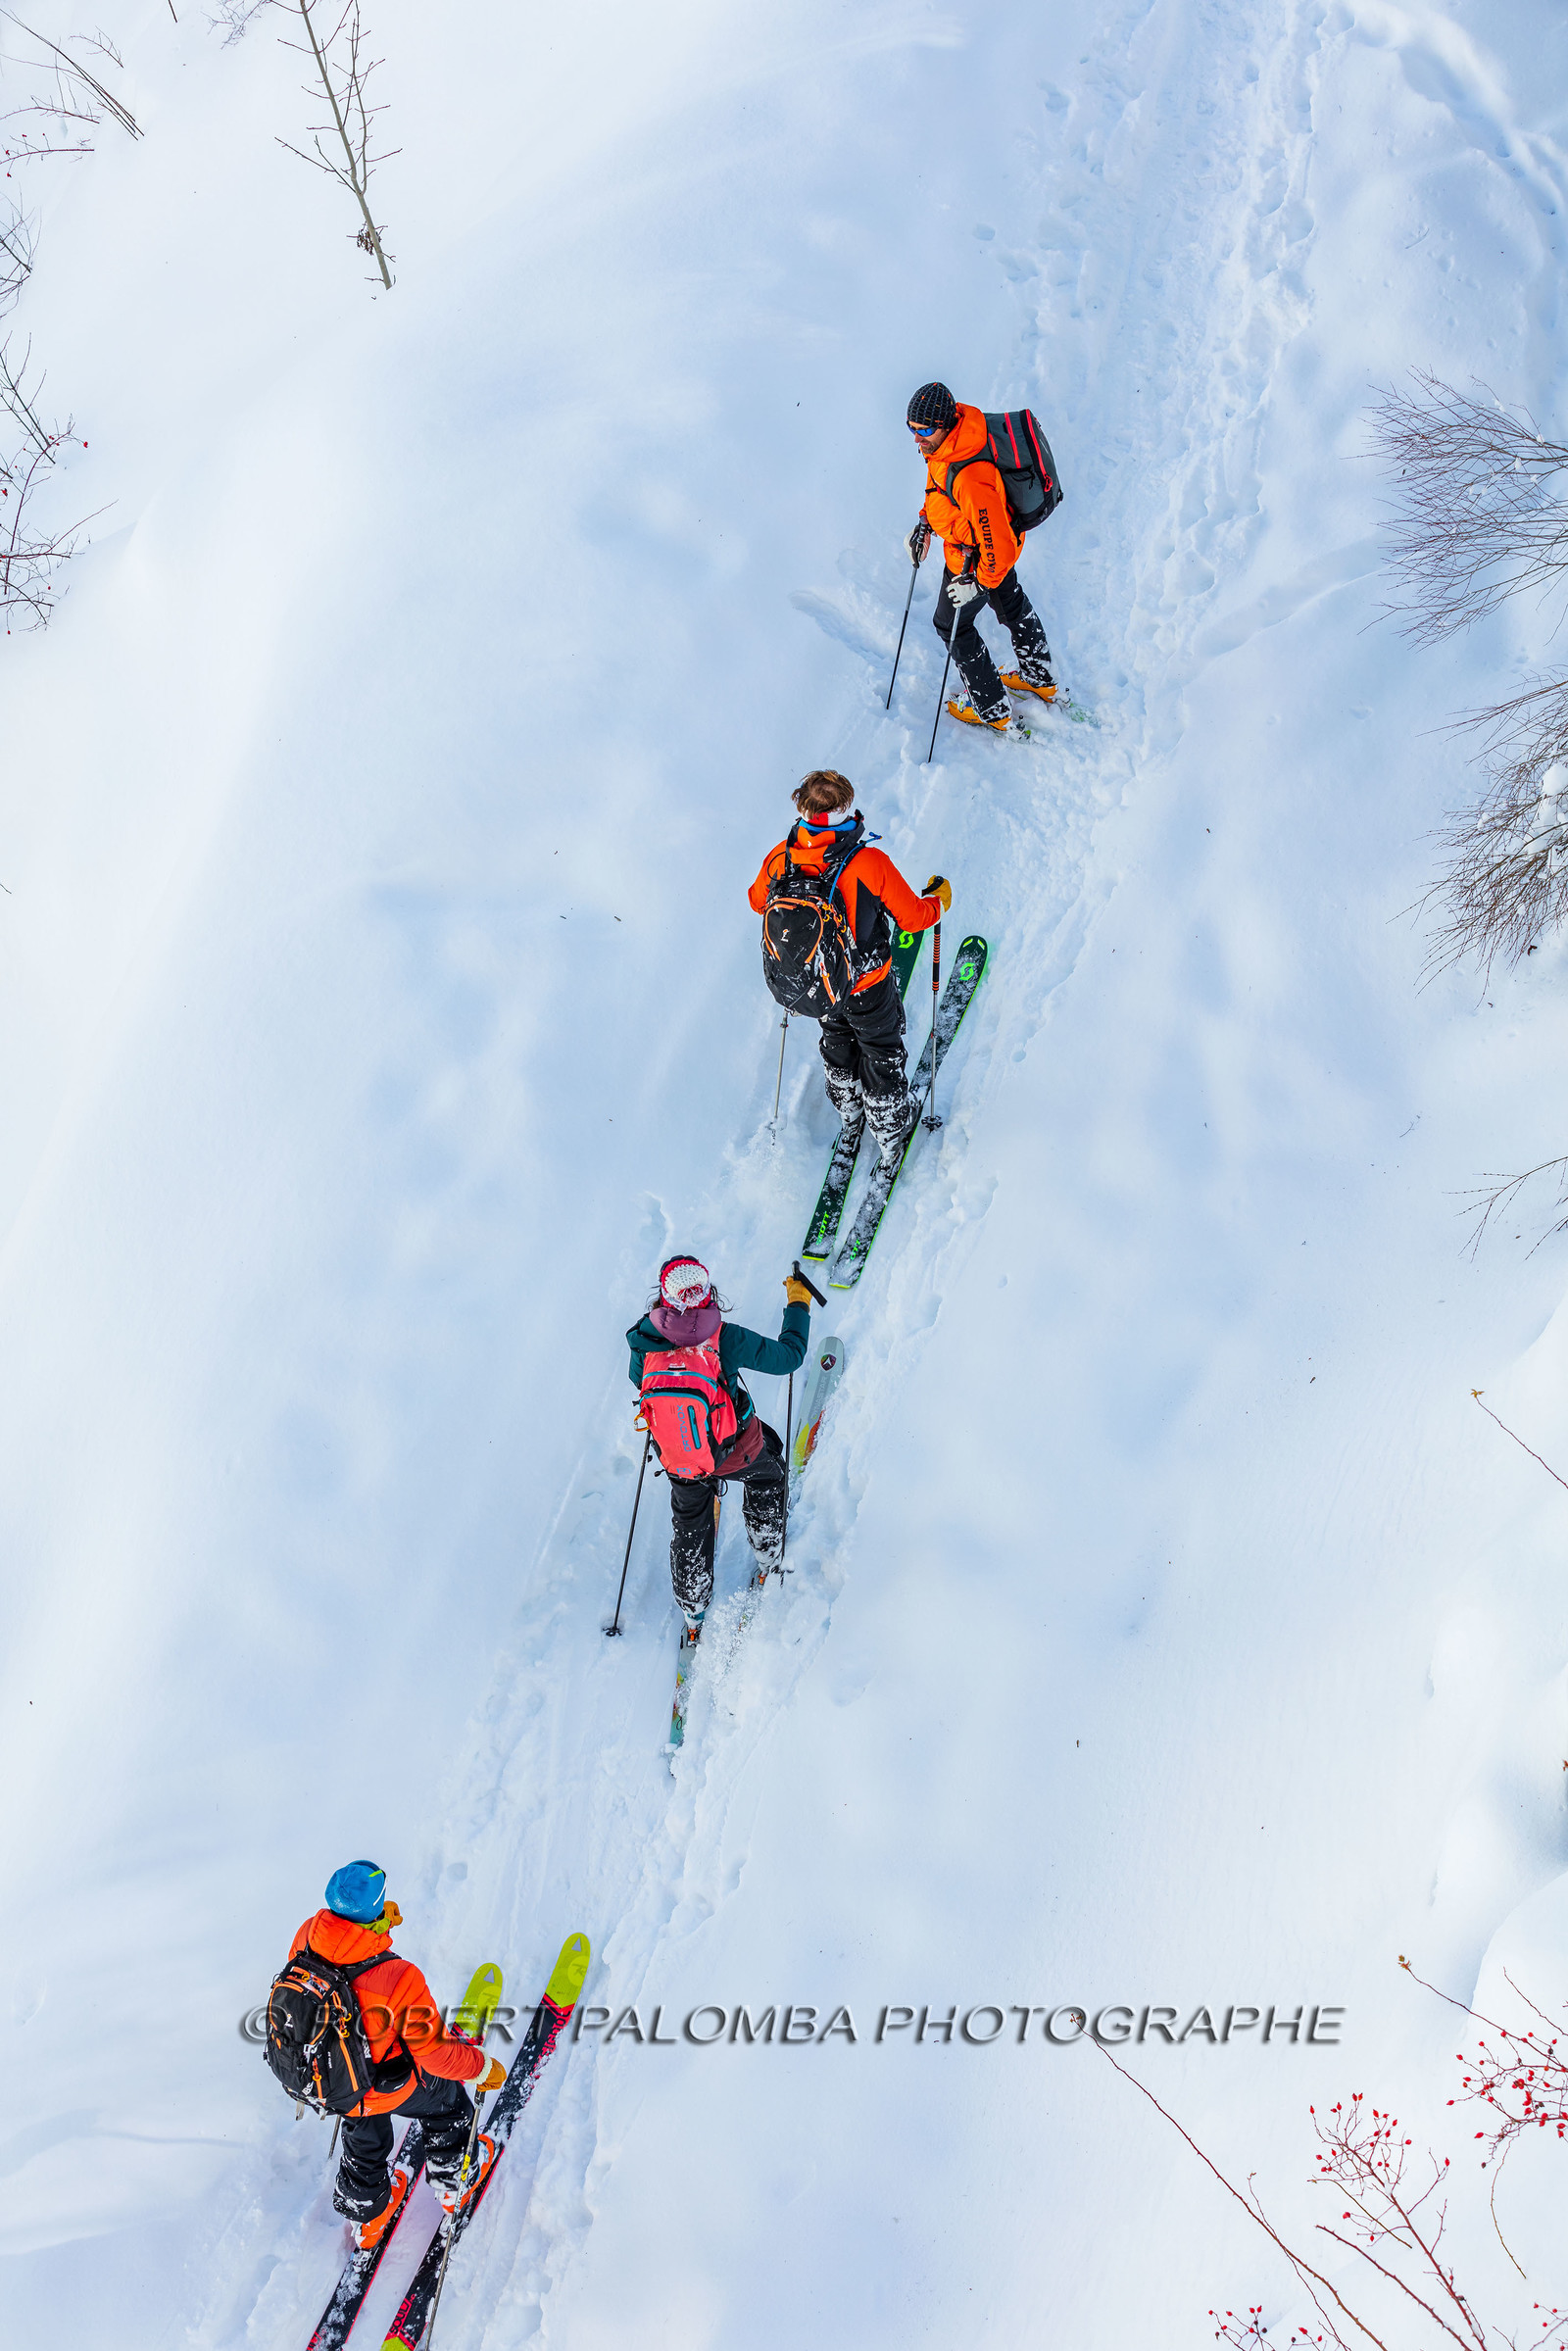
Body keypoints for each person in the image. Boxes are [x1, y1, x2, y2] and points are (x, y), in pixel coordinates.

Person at [290, 1860, 507, 2248]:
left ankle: (369, 2216)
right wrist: (479, 2067)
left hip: (328, 2078)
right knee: (445, 2100)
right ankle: (454, 2180)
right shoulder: (399, 1977)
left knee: (362, 2125)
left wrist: (375, 1929)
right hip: (383, 2081)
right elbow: (436, 2056)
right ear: (375, 1909)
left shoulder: (308, 1934)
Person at [748, 769, 951, 1166]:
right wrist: (938, 902)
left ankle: (849, 1109)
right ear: (844, 809)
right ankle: (890, 1125)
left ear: (801, 806)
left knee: (837, 1042)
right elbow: (913, 919)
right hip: (867, 984)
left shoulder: (780, 857)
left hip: (819, 983)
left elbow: (758, 901)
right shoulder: (867, 862)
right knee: (881, 1050)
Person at [627, 1253, 812, 1638]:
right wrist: (798, 1303)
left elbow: (640, 1384)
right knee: (768, 1473)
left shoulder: (643, 1340)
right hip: (732, 1451)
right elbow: (789, 1358)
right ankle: (768, 1552)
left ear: (663, 1298)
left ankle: (693, 1611)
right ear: (707, 1292)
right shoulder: (725, 1337)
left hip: (680, 1457)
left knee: (689, 1523)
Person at [905, 379, 1054, 732]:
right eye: (911, 429)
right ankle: (1040, 678)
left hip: (976, 561)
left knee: (952, 627)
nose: (917, 438)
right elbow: (941, 489)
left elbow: (996, 544)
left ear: (944, 423)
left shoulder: (971, 476)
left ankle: (992, 709)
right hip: (987, 551)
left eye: (924, 429)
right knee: (1010, 602)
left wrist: (976, 584)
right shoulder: (950, 443)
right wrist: (926, 522)